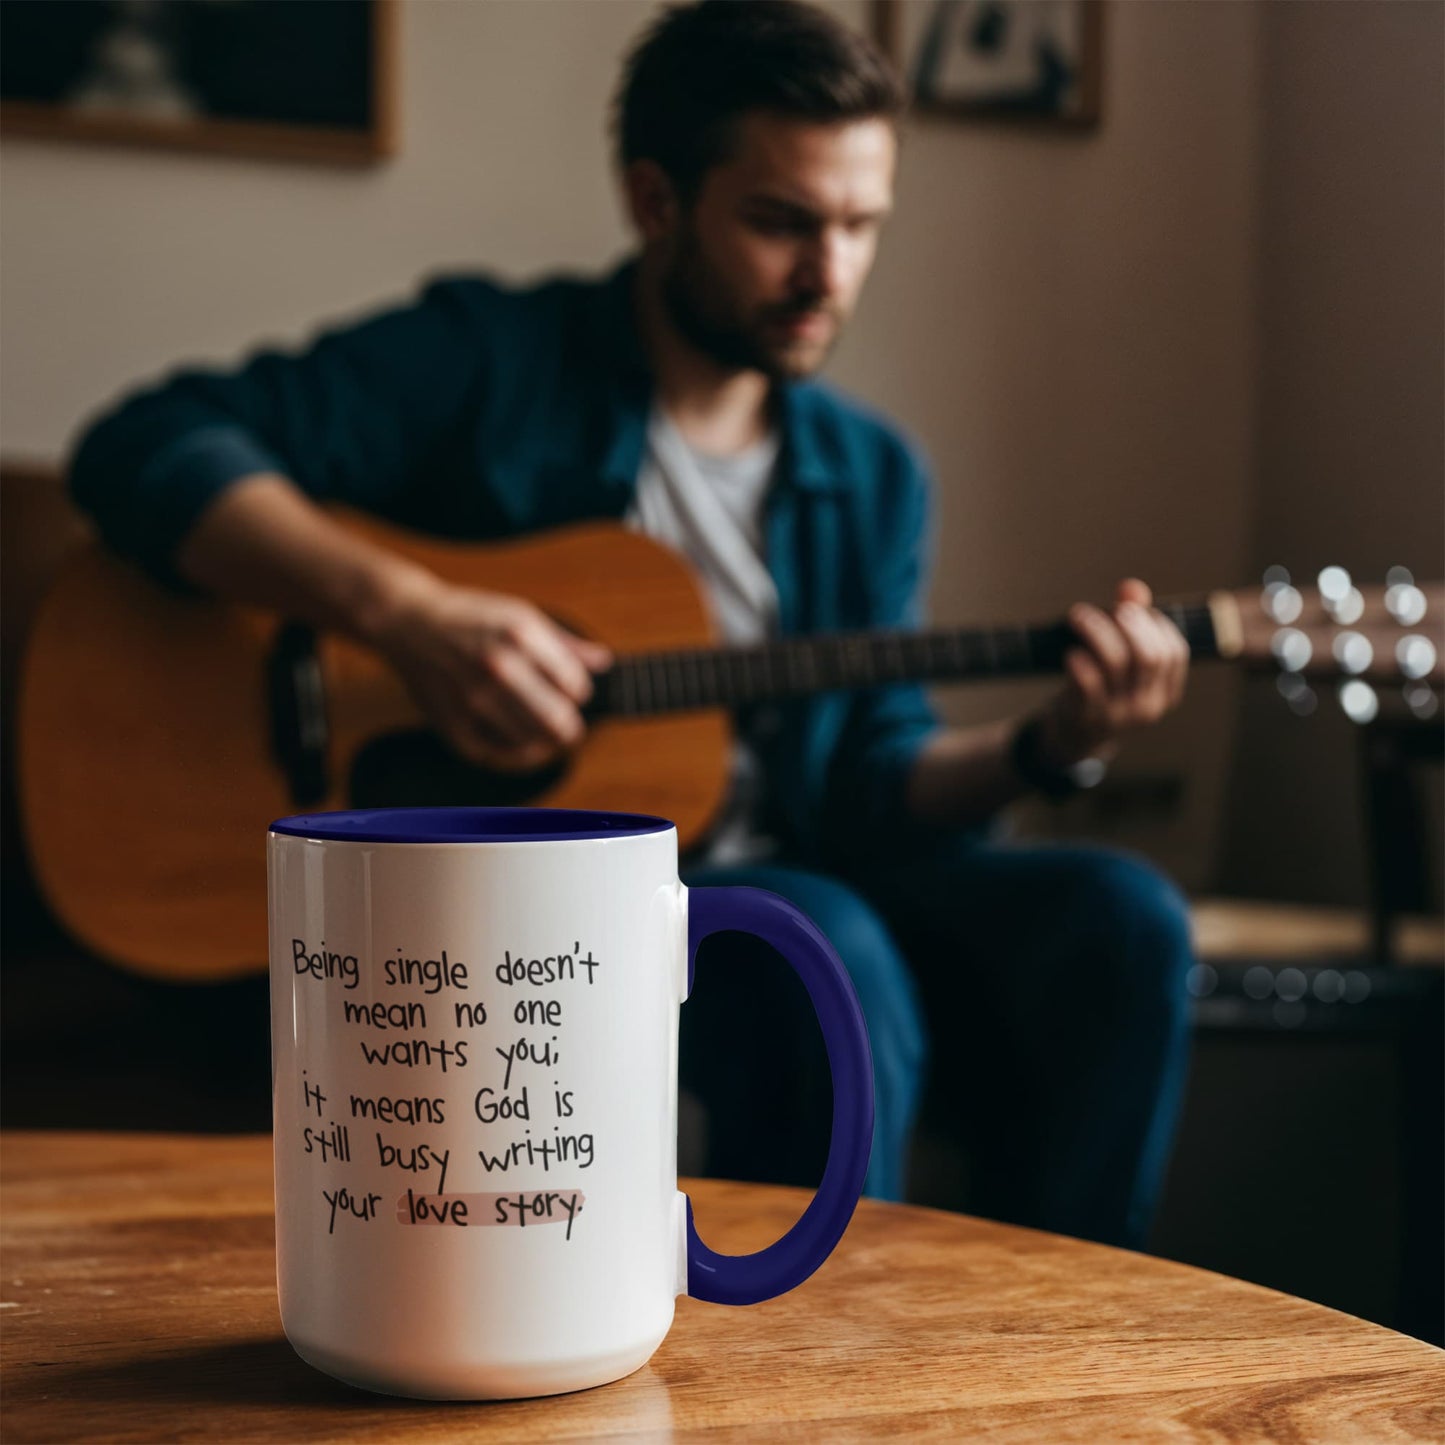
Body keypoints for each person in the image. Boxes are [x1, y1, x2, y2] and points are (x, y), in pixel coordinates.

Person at [69, 0, 1193, 1249]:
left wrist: (1049, 743)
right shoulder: (491, 362)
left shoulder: (873, 474)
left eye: (861, 225)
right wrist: (410, 612)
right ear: (656, 201)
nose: (830, 274)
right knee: (821, 936)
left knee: (1122, 915)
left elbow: (876, 773)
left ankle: (1079, 1327)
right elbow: (146, 442)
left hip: (808, 878)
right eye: (781, 222)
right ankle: (808, 1356)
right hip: (553, 914)